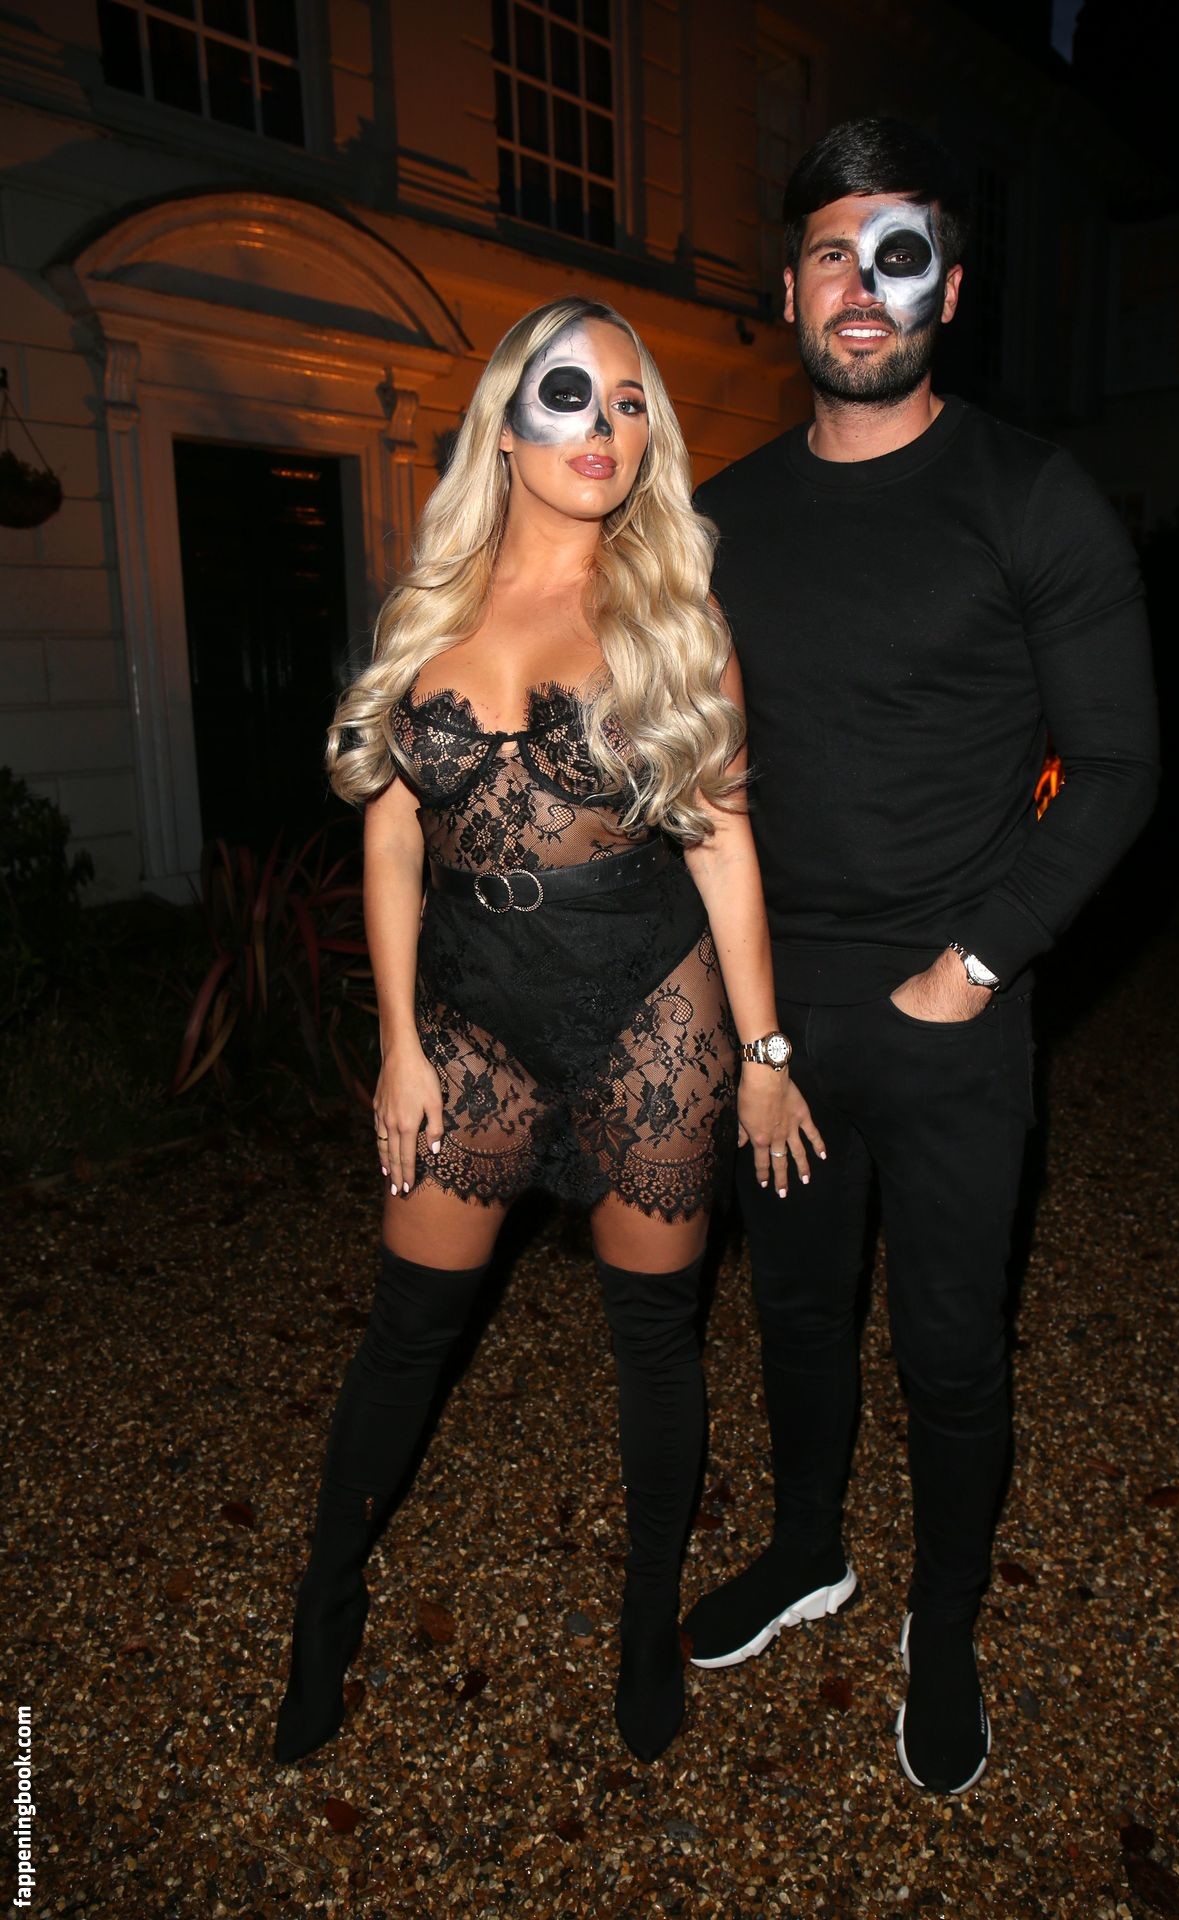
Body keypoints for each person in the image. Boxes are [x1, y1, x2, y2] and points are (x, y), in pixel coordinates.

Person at [272, 296, 821, 1768]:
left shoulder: (675, 620)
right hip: (471, 1014)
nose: (605, 428)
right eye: (571, 395)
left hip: (651, 1008)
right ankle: (325, 1606)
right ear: (505, 426)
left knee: (655, 1340)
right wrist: (398, 1042)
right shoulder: (426, 615)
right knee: (407, 1332)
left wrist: (767, 1060)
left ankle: (646, 1625)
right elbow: (393, 840)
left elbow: (723, 846)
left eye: (631, 404)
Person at [682, 118, 1160, 1795]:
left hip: (955, 1010)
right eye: (832, 250)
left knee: (950, 1349)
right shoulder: (722, 519)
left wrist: (973, 967)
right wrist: (743, 1028)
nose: (862, 285)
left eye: (900, 253)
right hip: (780, 1016)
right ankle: (808, 1549)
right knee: (795, 1316)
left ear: (948, 288)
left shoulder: (1029, 495)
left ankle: (941, 1620)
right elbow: (694, 780)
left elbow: (1118, 768)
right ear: (790, 289)